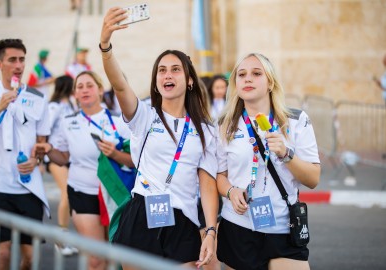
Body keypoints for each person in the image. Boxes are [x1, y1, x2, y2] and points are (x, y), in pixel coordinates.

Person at [100, 7, 219, 269]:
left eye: (176, 69)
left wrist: (210, 231)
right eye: (162, 70)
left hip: (184, 221)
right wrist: (106, 45)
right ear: (156, 82)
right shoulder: (144, 116)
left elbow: (208, 185)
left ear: (189, 81)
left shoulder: (207, 131)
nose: (168, 75)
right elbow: (119, 84)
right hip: (142, 215)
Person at [215, 53, 320, 270]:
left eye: (256, 73)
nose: (247, 79)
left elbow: (313, 178)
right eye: (241, 75)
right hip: (238, 227)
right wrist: (231, 191)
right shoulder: (226, 125)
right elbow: (220, 176)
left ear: (270, 82)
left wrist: (286, 154)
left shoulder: (296, 120)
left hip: (283, 228)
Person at [33, 70, 134, 270]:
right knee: (96, 260)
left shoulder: (119, 120)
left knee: (119, 258)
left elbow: (134, 161)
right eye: (80, 87)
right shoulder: (67, 122)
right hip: (83, 192)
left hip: (115, 193)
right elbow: (62, 159)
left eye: (89, 85)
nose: (85, 90)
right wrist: (48, 150)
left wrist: (114, 153)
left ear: (99, 90)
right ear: (75, 94)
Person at [0, 38, 50, 270]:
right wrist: (0, 106)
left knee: (30, 257)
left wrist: (36, 158)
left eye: (22, 59)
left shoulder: (38, 97)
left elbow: (42, 141)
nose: (19, 65)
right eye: (12, 60)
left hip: (28, 184)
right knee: (3, 252)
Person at [47, 75, 78, 256]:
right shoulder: (54, 106)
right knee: (66, 193)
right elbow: (45, 130)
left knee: (72, 197)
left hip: (70, 156)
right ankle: (59, 242)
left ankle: (64, 239)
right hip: (55, 156)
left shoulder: (72, 105)